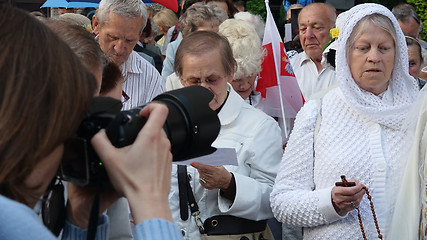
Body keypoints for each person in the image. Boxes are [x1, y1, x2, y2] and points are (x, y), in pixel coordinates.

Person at [0, 4, 182, 240]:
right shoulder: (10, 219)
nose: (91, 133)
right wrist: (150, 200)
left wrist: (81, 222)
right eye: (84, 112)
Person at [270, 3, 419, 239]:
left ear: (397, 53)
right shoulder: (318, 112)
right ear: (345, 53)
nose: (374, 57)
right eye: (363, 48)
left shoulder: (419, 113)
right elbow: (282, 203)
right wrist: (330, 202)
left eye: (384, 48)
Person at [170, 31, 283, 240]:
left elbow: (276, 200)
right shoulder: (164, 124)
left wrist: (230, 185)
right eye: (194, 80)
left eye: (212, 80)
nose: (204, 89)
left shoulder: (260, 127)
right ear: (180, 76)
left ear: (230, 71)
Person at [92, 0, 165, 110]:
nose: (119, 48)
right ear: (96, 24)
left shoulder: (150, 77)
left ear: (140, 35)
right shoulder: (72, 65)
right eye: (113, 37)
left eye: (129, 40)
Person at [162, 2, 227, 82]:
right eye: (204, 34)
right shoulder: (175, 48)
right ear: (190, 34)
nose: (211, 39)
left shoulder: (225, 48)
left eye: (216, 33)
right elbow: (166, 82)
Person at [290, 3, 337, 100]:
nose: (308, 35)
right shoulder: (290, 67)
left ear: (334, 29)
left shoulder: (350, 67)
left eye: (317, 28)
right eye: (303, 29)